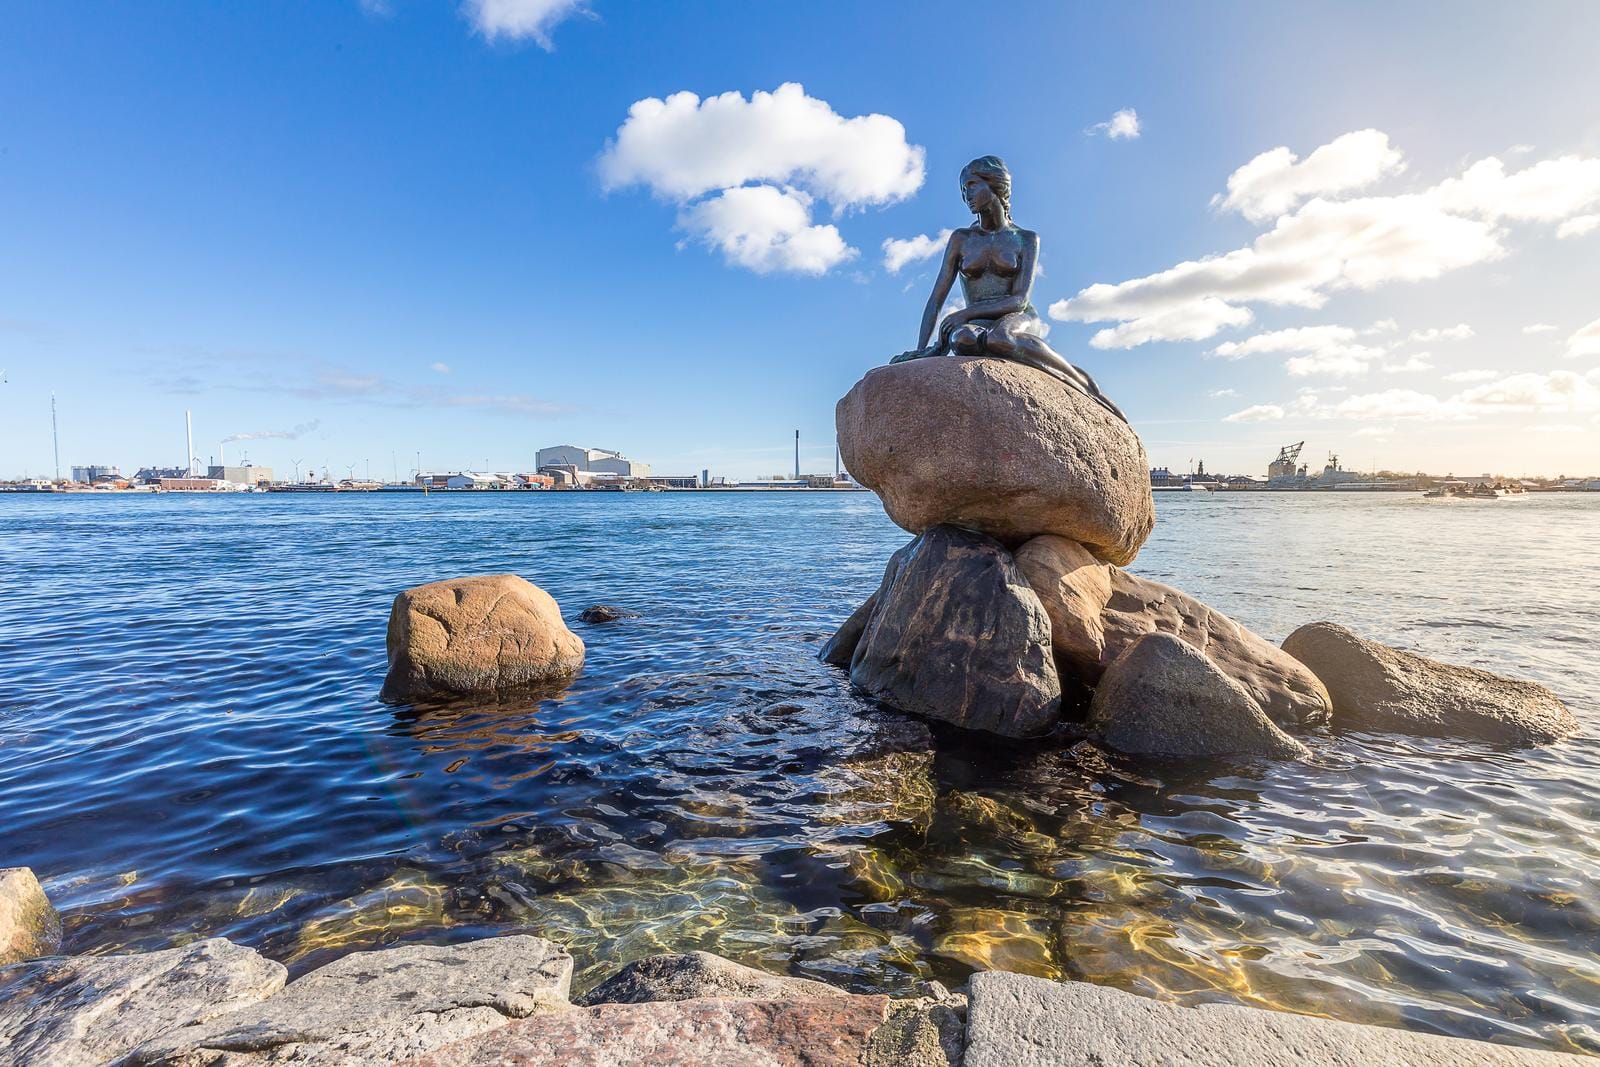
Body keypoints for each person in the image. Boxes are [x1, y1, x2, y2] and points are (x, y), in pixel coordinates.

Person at [892, 155, 1126, 422]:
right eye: (963, 189)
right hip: (978, 320)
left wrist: (963, 314)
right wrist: (922, 350)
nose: (966, 194)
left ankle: (1086, 386)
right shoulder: (961, 239)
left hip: (1018, 316)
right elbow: (936, 299)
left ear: (994, 184)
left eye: (971, 184)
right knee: (962, 339)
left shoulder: (1025, 239)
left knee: (1001, 338)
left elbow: (1019, 300)